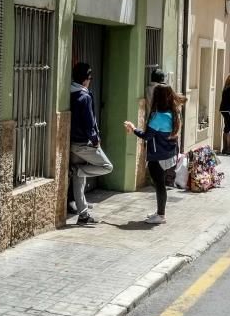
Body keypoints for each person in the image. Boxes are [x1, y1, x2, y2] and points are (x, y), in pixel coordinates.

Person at [124, 84, 183, 225]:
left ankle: (161, 215)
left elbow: (147, 136)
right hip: (168, 154)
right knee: (160, 184)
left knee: (159, 185)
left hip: (158, 157)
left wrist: (133, 128)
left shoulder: (159, 117)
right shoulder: (173, 112)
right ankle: (159, 212)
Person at [70, 62, 113, 225]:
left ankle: (83, 215)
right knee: (107, 166)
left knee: (79, 180)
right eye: (89, 78)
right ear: (85, 80)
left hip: (73, 143)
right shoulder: (84, 96)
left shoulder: (70, 93)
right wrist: (95, 140)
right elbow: (89, 123)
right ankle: (77, 170)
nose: (90, 81)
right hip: (84, 144)